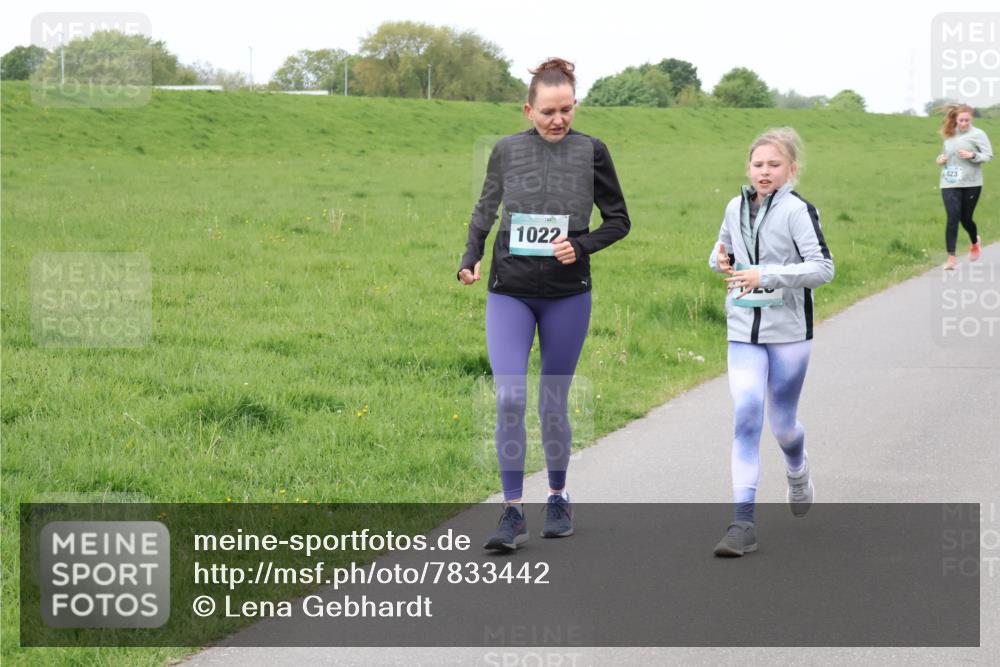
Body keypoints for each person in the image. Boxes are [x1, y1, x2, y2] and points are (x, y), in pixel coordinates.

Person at [457, 58, 631, 551]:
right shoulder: (507, 151)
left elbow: (619, 220)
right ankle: (511, 511)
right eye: (549, 111)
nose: (558, 120)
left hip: (567, 294)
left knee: (552, 402)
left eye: (567, 110)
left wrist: (581, 245)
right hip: (509, 289)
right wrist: (469, 257)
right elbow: (485, 209)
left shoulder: (592, 152)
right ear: (528, 109)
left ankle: (557, 496)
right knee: (511, 397)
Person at [708, 128, 834, 557]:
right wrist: (721, 259)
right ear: (748, 168)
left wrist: (768, 274)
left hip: (789, 334)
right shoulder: (733, 206)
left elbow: (823, 268)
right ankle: (743, 522)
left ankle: (797, 469)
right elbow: (719, 253)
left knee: (781, 424)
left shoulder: (798, 211)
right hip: (742, 328)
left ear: (791, 170)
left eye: (774, 165)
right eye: (758, 164)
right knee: (745, 414)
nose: (765, 172)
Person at [935, 104, 993, 270]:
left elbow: (988, 156)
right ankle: (951, 258)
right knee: (952, 217)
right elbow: (944, 154)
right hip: (950, 182)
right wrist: (939, 160)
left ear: (971, 119)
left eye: (967, 120)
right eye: (961, 120)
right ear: (956, 119)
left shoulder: (978, 134)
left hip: (971, 182)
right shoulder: (949, 133)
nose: (964, 123)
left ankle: (975, 242)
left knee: (965, 219)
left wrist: (972, 155)